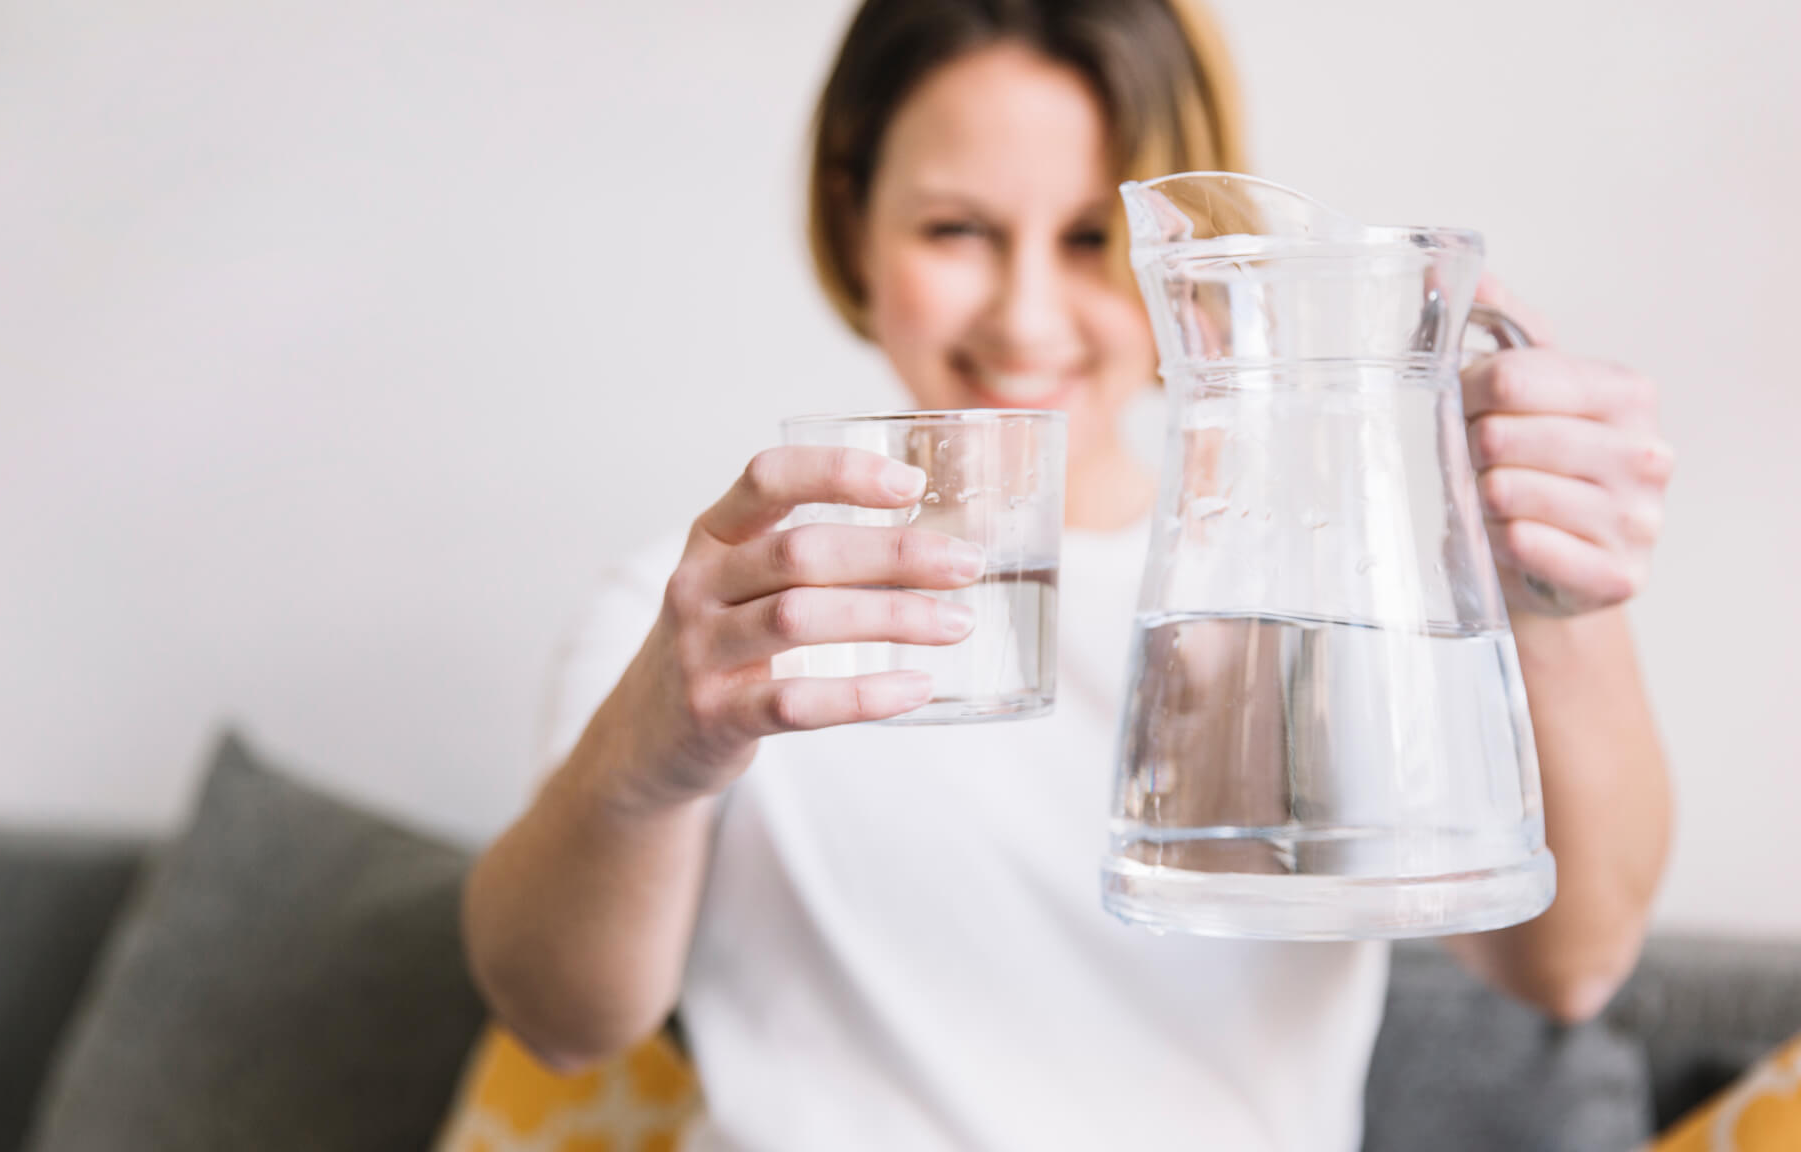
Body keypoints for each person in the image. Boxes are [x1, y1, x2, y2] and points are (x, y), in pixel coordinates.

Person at [462, 0, 1675, 1147]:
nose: (1027, 315)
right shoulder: (715, 621)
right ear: (852, 222)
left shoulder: (1305, 605)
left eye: (1092, 239)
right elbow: (562, 1022)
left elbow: (1565, 965)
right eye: (955, 229)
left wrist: (1547, 592)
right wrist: (646, 763)